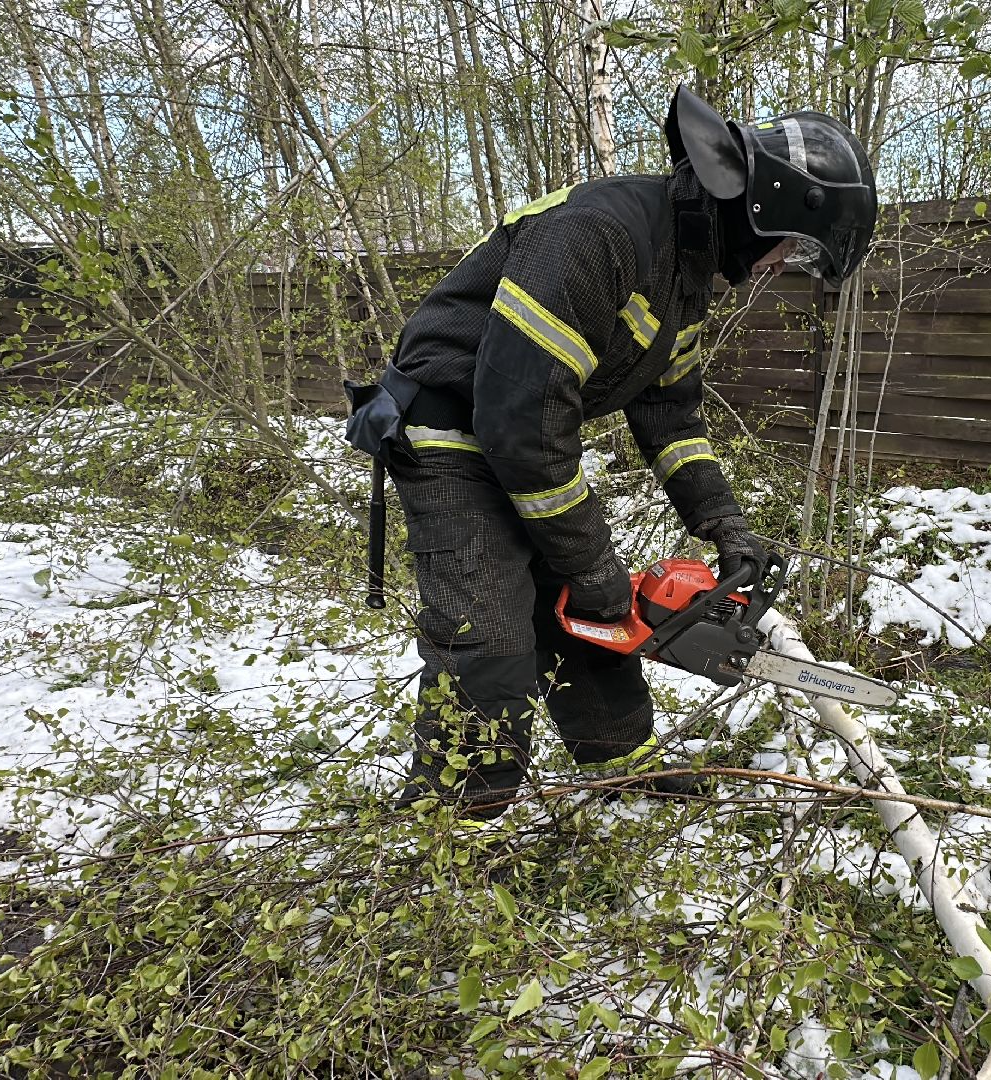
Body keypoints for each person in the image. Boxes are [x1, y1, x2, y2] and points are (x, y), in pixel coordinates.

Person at [346, 84, 877, 820]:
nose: (781, 264)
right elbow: (519, 414)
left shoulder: (684, 276)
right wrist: (591, 560)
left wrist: (723, 523)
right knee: (494, 634)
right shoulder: (603, 235)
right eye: (792, 248)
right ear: (771, 211)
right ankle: (451, 821)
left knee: (584, 609)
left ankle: (623, 763)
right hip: (452, 431)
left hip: (518, 435)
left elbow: (670, 413)